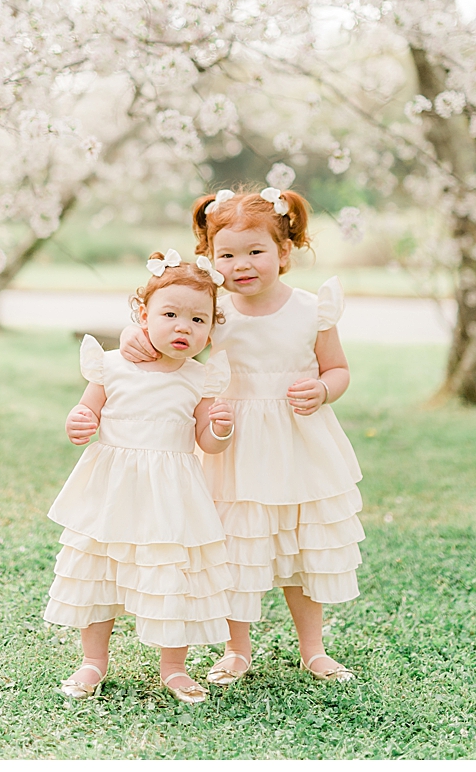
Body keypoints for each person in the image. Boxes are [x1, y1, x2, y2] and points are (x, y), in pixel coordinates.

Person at [121, 182, 361, 684]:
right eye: (226, 254)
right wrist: (132, 335)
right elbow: (165, 323)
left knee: (302, 547)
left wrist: (322, 389)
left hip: (298, 444)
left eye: (256, 251)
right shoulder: (215, 310)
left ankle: (313, 648)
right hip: (231, 444)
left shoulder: (310, 309)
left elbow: (337, 368)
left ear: (285, 250)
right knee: (233, 547)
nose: (242, 264)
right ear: (209, 257)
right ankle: (237, 648)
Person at [45, 250, 235, 704]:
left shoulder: (199, 379)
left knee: (171, 574)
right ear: (143, 314)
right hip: (112, 488)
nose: (183, 327)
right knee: (100, 572)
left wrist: (221, 429)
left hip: (171, 493)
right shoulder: (111, 366)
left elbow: (208, 442)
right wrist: (79, 420)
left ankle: (174, 666)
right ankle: (93, 661)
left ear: (211, 327)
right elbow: (87, 411)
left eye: (198, 319)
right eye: (170, 314)